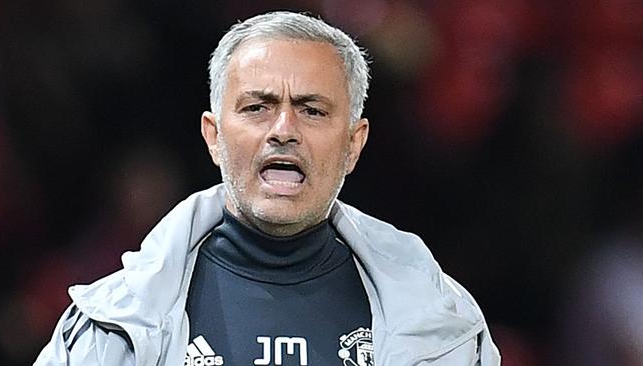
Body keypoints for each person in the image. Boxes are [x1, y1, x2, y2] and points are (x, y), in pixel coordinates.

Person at [35, 11, 500, 366]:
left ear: (354, 144)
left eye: (312, 110)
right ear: (213, 136)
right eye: (258, 107)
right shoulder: (107, 327)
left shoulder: (447, 326)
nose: (283, 129)